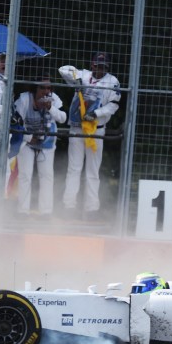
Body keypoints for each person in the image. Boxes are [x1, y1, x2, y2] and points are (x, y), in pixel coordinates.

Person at [58, 51, 121, 220]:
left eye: (103, 67)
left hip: (96, 130)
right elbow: (62, 69)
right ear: (92, 64)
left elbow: (113, 106)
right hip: (77, 128)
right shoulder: (83, 75)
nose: (99, 69)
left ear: (107, 67)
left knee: (92, 171)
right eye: (96, 65)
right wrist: (77, 80)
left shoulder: (112, 81)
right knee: (74, 168)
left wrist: (97, 113)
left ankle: (92, 209)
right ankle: (69, 206)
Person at [12, 75, 67, 218]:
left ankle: (46, 213)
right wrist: (29, 137)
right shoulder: (24, 100)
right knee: (25, 175)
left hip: (47, 142)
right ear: (35, 88)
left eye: (48, 88)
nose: (46, 91)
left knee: (47, 176)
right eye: (42, 87)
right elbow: (15, 123)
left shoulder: (53, 99)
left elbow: (62, 118)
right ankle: (22, 211)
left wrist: (50, 108)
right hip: (27, 140)